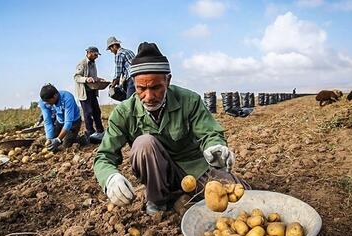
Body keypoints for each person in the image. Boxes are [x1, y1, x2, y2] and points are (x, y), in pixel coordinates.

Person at [94, 42, 249, 214]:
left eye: (156, 87)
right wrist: (110, 178)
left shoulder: (189, 100)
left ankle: (182, 195)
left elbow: (210, 133)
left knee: (240, 197)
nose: (149, 96)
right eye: (141, 88)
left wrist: (215, 147)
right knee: (144, 143)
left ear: (168, 80)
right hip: (158, 176)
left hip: (193, 169)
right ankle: (158, 200)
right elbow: (104, 156)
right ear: (134, 84)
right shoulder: (123, 113)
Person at [39, 84, 85, 151]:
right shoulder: (44, 102)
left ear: (55, 96)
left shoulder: (67, 98)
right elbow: (47, 121)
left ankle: (80, 139)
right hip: (60, 121)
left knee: (65, 146)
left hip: (73, 122)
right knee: (52, 142)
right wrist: (49, 138)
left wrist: (58, 140)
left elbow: (68, 122)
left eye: (48, 102)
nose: (47, 104)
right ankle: (66, 137)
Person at [74, 46, 105, 140]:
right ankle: (90, 133)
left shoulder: (93, 64)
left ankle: (100, 131)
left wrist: (98, 79)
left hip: (92, 91)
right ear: (90, 53)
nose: (97, 57)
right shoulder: (82, 63)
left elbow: (92, 77)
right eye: (95, 54)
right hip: (84, 93)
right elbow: (76, 77)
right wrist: (86, 79)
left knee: (97, 111)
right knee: (88, 113)